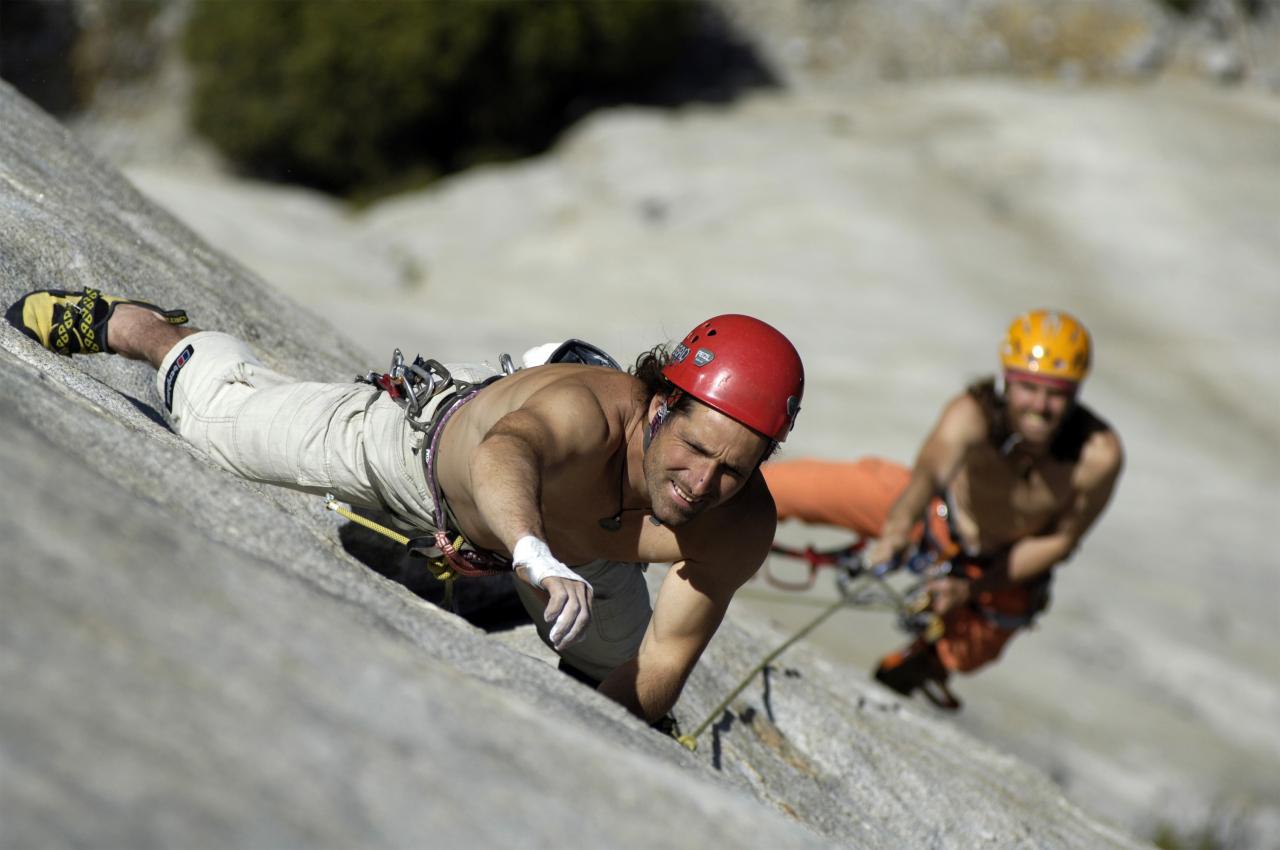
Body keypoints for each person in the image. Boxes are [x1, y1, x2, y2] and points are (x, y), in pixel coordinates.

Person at [7, 288, 803, 723]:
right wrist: (530, 553)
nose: (702, 485)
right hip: (421, 455)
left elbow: (661, 666)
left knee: (616, 672)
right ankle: (151, 330)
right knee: (221, 426)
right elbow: (506, 453)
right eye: (694, 451)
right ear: (661, 404)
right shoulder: (588, 416)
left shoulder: (737, 525)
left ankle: (496, 574)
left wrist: (612, 735)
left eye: (733, 471)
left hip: (576, 556)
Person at [763, 309, 1122, 708]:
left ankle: (928, 660)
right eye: (1029, 388)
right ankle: (716, 507)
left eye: (1056, 392)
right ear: (1007, 380)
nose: (1041, 405)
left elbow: (1060, 541)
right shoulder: (973, 413)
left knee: (970, 650)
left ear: (1076, 392)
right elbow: (929, 474)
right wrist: (898, 528)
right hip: (930, 518)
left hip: (1000, 561)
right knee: (789, 488)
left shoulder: (1097, 455)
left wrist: (972, 588)